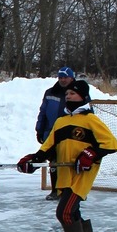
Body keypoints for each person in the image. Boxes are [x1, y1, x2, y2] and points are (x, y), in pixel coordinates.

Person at [18, 79, 117, 232]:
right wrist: (32, 161)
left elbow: (111, 145)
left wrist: (90, 154)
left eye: (72, 93)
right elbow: (47, 148)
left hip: (81, 175)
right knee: (73, 211)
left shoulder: (91, 120)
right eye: (66, 94)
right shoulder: (61, 121)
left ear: (83, 96)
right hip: (65, 174)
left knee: (64, 211)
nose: (68, 96)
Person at [35, 67, 76, 199]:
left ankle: (73, 191)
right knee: (53, 161)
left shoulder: (77, 93)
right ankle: (55, 190)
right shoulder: (50, 92)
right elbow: (43, 112)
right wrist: (39, 130)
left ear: (71, 78)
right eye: (60, 77)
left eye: (65, 77)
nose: (63, 80)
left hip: (71, 134)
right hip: (51, 132)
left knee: (71, 161)